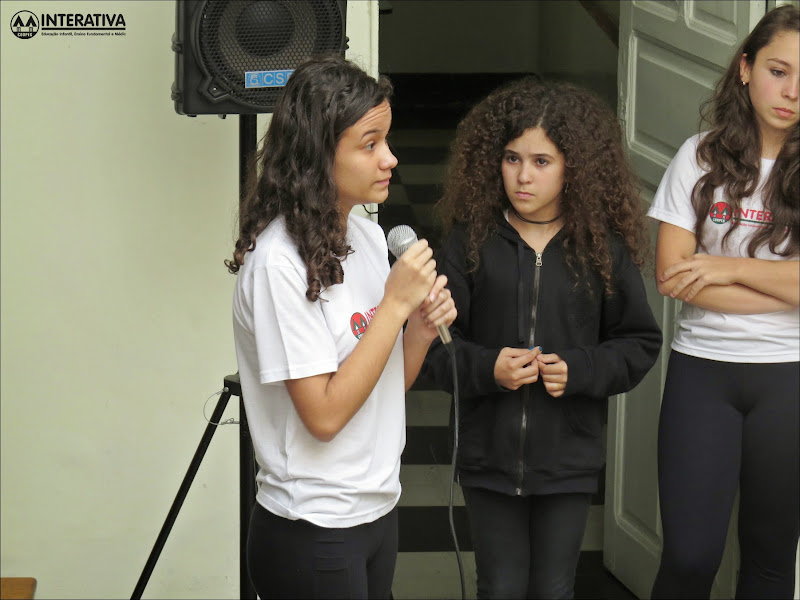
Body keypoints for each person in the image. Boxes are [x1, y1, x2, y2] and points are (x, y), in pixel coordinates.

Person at [420, 77, 663, 599]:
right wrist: (488, 369)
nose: (523, 176)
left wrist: (581, 369)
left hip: (568, 457)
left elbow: (639, 342)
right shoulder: (469, 241)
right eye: (512, 158)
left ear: (575, 167)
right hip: (486, 454)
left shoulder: (601, 248)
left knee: (554, 589)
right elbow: (434, 349)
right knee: (500, 587)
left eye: (541, 161)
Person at [225, 55, 456, 600]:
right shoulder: (279, 264)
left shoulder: (369, 238)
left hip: (376, 510)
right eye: (369, 144)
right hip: (314, 527)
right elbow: (325, 417)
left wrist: (418, 332)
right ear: (317, 154)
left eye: (387, 141)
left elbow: (382, 390)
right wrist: (394, 307)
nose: (390, 158)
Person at [647, 5, 799, 598]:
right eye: (778, 71)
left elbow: (699, 273)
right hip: (703, 372)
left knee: (770, 561)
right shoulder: (699, 156)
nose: (791, 92)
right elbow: (672, 275)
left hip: (789, 377)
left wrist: (726, 267)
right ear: (745, 68)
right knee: (689, 558)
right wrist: (783, 286)